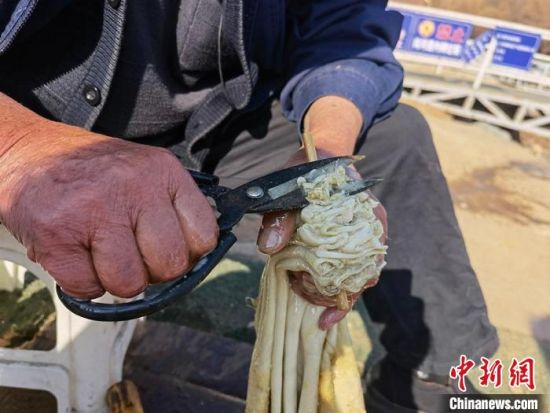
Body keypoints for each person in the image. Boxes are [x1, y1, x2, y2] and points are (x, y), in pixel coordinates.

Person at [0, 1, 498, 411]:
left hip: (216, 134)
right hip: (39, 132)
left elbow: (343, 28)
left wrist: (321, 164)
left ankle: (429, 382)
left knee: (396, 137)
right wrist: (21, 152)